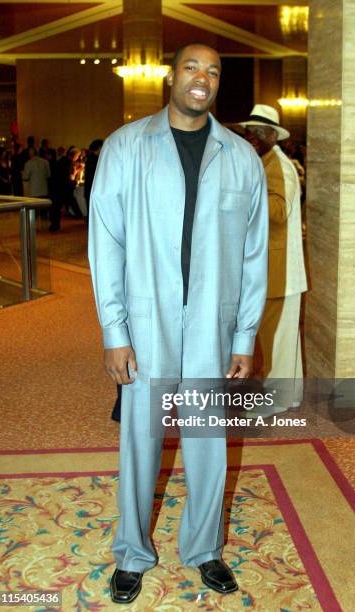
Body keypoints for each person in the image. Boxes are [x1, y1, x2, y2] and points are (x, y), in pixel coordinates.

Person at [88, 43, 268, 605]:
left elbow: (254, 257)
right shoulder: (126, 147)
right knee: (140, 440)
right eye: (192, 67)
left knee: (208, 441)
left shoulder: (241, 157)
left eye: (213, 71)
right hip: (147, 323)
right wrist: (114, 331)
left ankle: (204, 549)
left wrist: (244, 336)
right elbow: (106, 243)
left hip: (212, 326)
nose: (202, 78)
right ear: (172, 76)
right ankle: (133, 553)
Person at [240, 104, 307, 413]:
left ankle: (276, 400)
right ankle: (288, 396)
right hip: (277, 268)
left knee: (275, 339)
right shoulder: (265, 162)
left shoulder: (275, 165)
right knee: (280, 339)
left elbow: (278, 211)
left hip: (278, 269)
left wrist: (244, 196)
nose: (251, 136)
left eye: (258, 131)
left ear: (273, 135)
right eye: (249, 130)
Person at [84, 139, 103, 222]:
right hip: (93, 188)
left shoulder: (91, 158)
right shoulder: (95, 160)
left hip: (90, 188)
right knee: (93, 212)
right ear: (99, 148)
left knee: (91, 211)